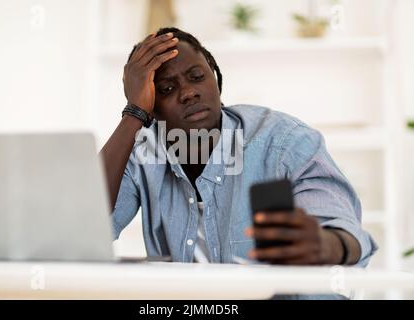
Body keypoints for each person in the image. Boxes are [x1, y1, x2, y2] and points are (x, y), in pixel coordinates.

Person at [100, 27, 377, 299]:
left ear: (215, 75)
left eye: (197, 76)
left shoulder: (282, 141)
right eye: (166, 89)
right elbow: (86, 227)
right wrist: (133, 113)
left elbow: (343, 229)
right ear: (151, 107)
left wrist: (326, 245)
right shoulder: (144, 153)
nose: (188, 93)